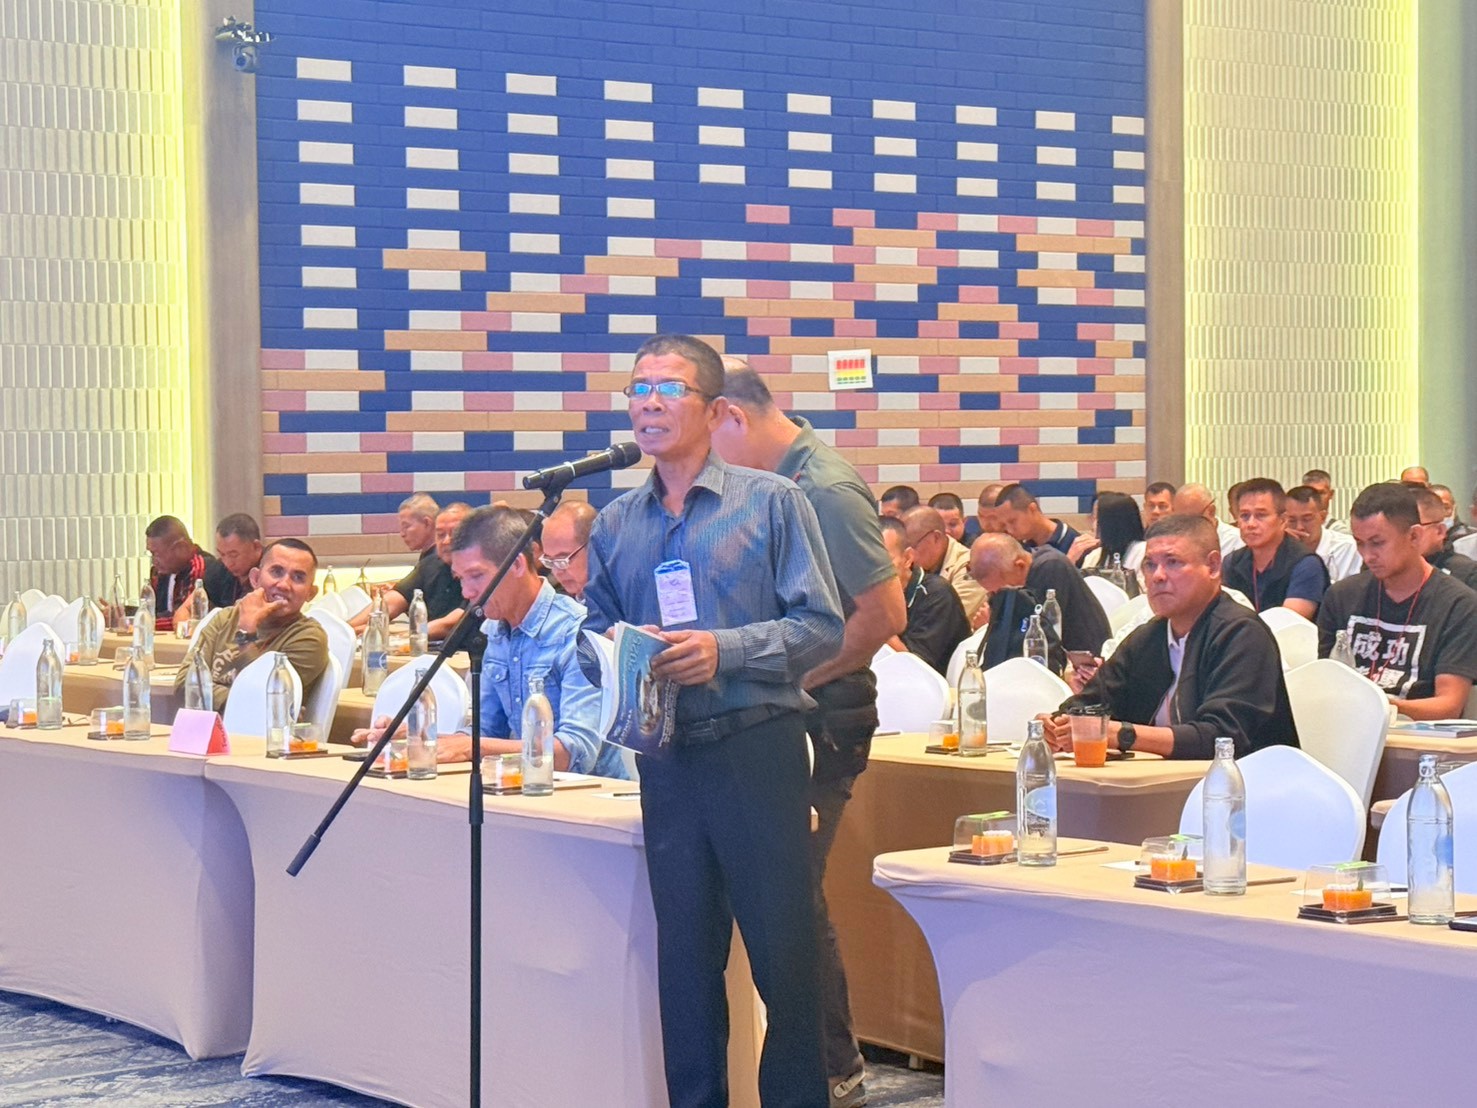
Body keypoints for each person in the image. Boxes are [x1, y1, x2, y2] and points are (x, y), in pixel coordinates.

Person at [580, 334, 844, 1108]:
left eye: (669, 388)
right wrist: (621, 650)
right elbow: (591, 638)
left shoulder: (770, 502)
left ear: (714, 409)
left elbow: (820, 627)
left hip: (755, 748)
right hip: (666, 759)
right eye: (637, 389)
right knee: (686, 965)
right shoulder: (616, 523)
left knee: (783, 960)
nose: (649, 404)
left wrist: (721, 650)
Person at [713, 361, 906, 1105]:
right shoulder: (766, 488)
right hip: (776, 715)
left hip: (823, 716)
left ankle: (830, 1068)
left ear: (730, 416)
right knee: (777, 892)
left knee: (789, 895)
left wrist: (787, 677)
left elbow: (882, 615)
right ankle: (818, 1061)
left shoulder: (822, 489)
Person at [350, 506, 627, 777]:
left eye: (476, 576)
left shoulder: (576, 631)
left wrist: (468, 746)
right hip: (523, 787)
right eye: (461, 579)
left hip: (590, 794)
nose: (467, 592)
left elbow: (574, 753)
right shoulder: (494, 630)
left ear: (517, 564)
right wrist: (422, 737)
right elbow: (484, 732)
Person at [1038, 515, 1298, 758]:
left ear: (1213, 566)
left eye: (1173, 562)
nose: (1158, 576)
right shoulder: (1149, 636)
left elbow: (1222, 737)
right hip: (1163, 781)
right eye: (1150, 565)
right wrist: (1056, 724)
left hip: (1245, 782)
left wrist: (1122, 734)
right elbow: (1092, 703)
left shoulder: (1242, 634)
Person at [1317, 484, 1477, 720]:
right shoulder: (1340, 596)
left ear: (1414, 536)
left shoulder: (1458, 604)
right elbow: (1324, 685)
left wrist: (1379, 707)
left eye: (1377, 542)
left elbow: (1448, 705)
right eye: (1360, 543)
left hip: (1418, 733)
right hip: (1347, 728)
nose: (1367, 555)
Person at [174, 539, 329, 709]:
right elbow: (184, 685)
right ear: (255, 579)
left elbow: (264, 703)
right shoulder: (224, 619)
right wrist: (242, 699)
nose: (284, 585)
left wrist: (246, 633)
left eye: (298, 577)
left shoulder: (309, 638)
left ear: (310, 593)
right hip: (205, 724)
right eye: (276, 572)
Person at [969, 533, 1112, 657]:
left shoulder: (1050, 568)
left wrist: (991, 626)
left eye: (1000, 592)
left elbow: (1038, 636)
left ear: (1020, 566)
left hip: (1084, 664)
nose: (996, 599)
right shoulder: (1027, 568)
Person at [349, 495, 466, 633]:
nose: (446, 541)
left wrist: (406, 634)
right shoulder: (430, 564)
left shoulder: (480, 573)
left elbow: (454, 622)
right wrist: (346, 628)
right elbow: (392, 601)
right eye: (440, 534)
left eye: (454, 534)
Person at [1221, 478, 1329, 618]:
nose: (1250, 524)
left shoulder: (1306, 563)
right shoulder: (1232, 562)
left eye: (1261, 515)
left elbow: (1289, 623)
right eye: (1244, 516)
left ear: (1283, 520)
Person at [880, 517, 971, 675]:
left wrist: (873, 618)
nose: (872, 572)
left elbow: (917, 669)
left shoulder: (936, 594)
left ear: (908, 558)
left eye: (882, 562)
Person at [143, 515, 237, 630]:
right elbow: (152, 612)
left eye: (156, 554)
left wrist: (143, 623)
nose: (154, 561)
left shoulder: (203, 567)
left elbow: (186, 617)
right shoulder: (161, 571)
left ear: (180, 547)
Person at [901, 505, 987, 624]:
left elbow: (943, 617)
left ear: (935, 538)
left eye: (912, 546)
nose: (908, 554)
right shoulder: (909, 564)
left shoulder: (970, 566)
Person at [1284, 485, 1362, 583]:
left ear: (1323, 517)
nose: (1299, 527)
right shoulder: (1280, 550)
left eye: (1307, 519)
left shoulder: (1348, 548)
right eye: (1292, 520)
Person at [1411, 487, 1477, 592]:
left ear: (1440, 531)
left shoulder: (1467, 572)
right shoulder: (1394, 568)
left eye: (1415, 530)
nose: (1407, 537)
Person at [1076, 491, 1146, 588]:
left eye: (1097, 518)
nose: (1093, 524)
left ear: (1113, 523)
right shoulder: (1094, 555)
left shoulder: (1144, 552)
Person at [993, 483, 1080, 556]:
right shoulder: (1019, 550)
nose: (1010, 530)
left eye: (1012, 521)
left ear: (1032, 509)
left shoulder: (1077, 546)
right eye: (1004, 525)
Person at [538, 500, 596, 600]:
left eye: (562, 560)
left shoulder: (622, 600)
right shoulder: (559, 600)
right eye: (549, 562)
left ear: (593, 548)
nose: (557, 572)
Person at [1172, 483, 1244, 558]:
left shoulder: (1237, 542)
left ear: (1211, 511)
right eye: (1180, 520)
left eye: (1192, 519)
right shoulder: (1174, 542)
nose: (1185, 526)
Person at [214, 513, 264, 606]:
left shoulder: (271, 575)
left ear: (256, 547)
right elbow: (191, 604)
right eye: (222, 554)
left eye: (233, 555)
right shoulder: (219, 569)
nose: (228, 563)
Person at [1301, 469, 1350, 534]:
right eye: (1311, 493)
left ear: (1331, 494)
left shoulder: (1340, 531)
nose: (1316, 498)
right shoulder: (1292, 526)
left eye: (1321, 493)